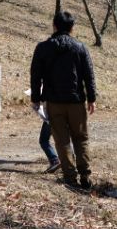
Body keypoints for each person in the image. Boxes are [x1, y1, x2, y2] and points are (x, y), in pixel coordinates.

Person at [29, 11, 97, 190]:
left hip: (53, 101)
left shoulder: (42, 48)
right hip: (76, 101)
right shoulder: (80, 47)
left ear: (54, 25)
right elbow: (88, 75)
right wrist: (92, 98)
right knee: (81, 138)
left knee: (61, 140)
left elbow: (36, 75)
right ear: (72, 28)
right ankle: (85, 175)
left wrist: (36, 98)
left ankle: (70, 176)